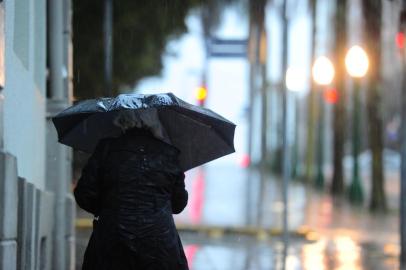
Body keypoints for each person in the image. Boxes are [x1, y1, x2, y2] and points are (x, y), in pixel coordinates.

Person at [74, 124, 189, 270]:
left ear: (122, 121)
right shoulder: (169, 153)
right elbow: (179, 204)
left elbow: (84, 193)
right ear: (154, 123)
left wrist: (107, 209)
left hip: (112, 238)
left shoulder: (106, 149)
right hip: (160, 243)